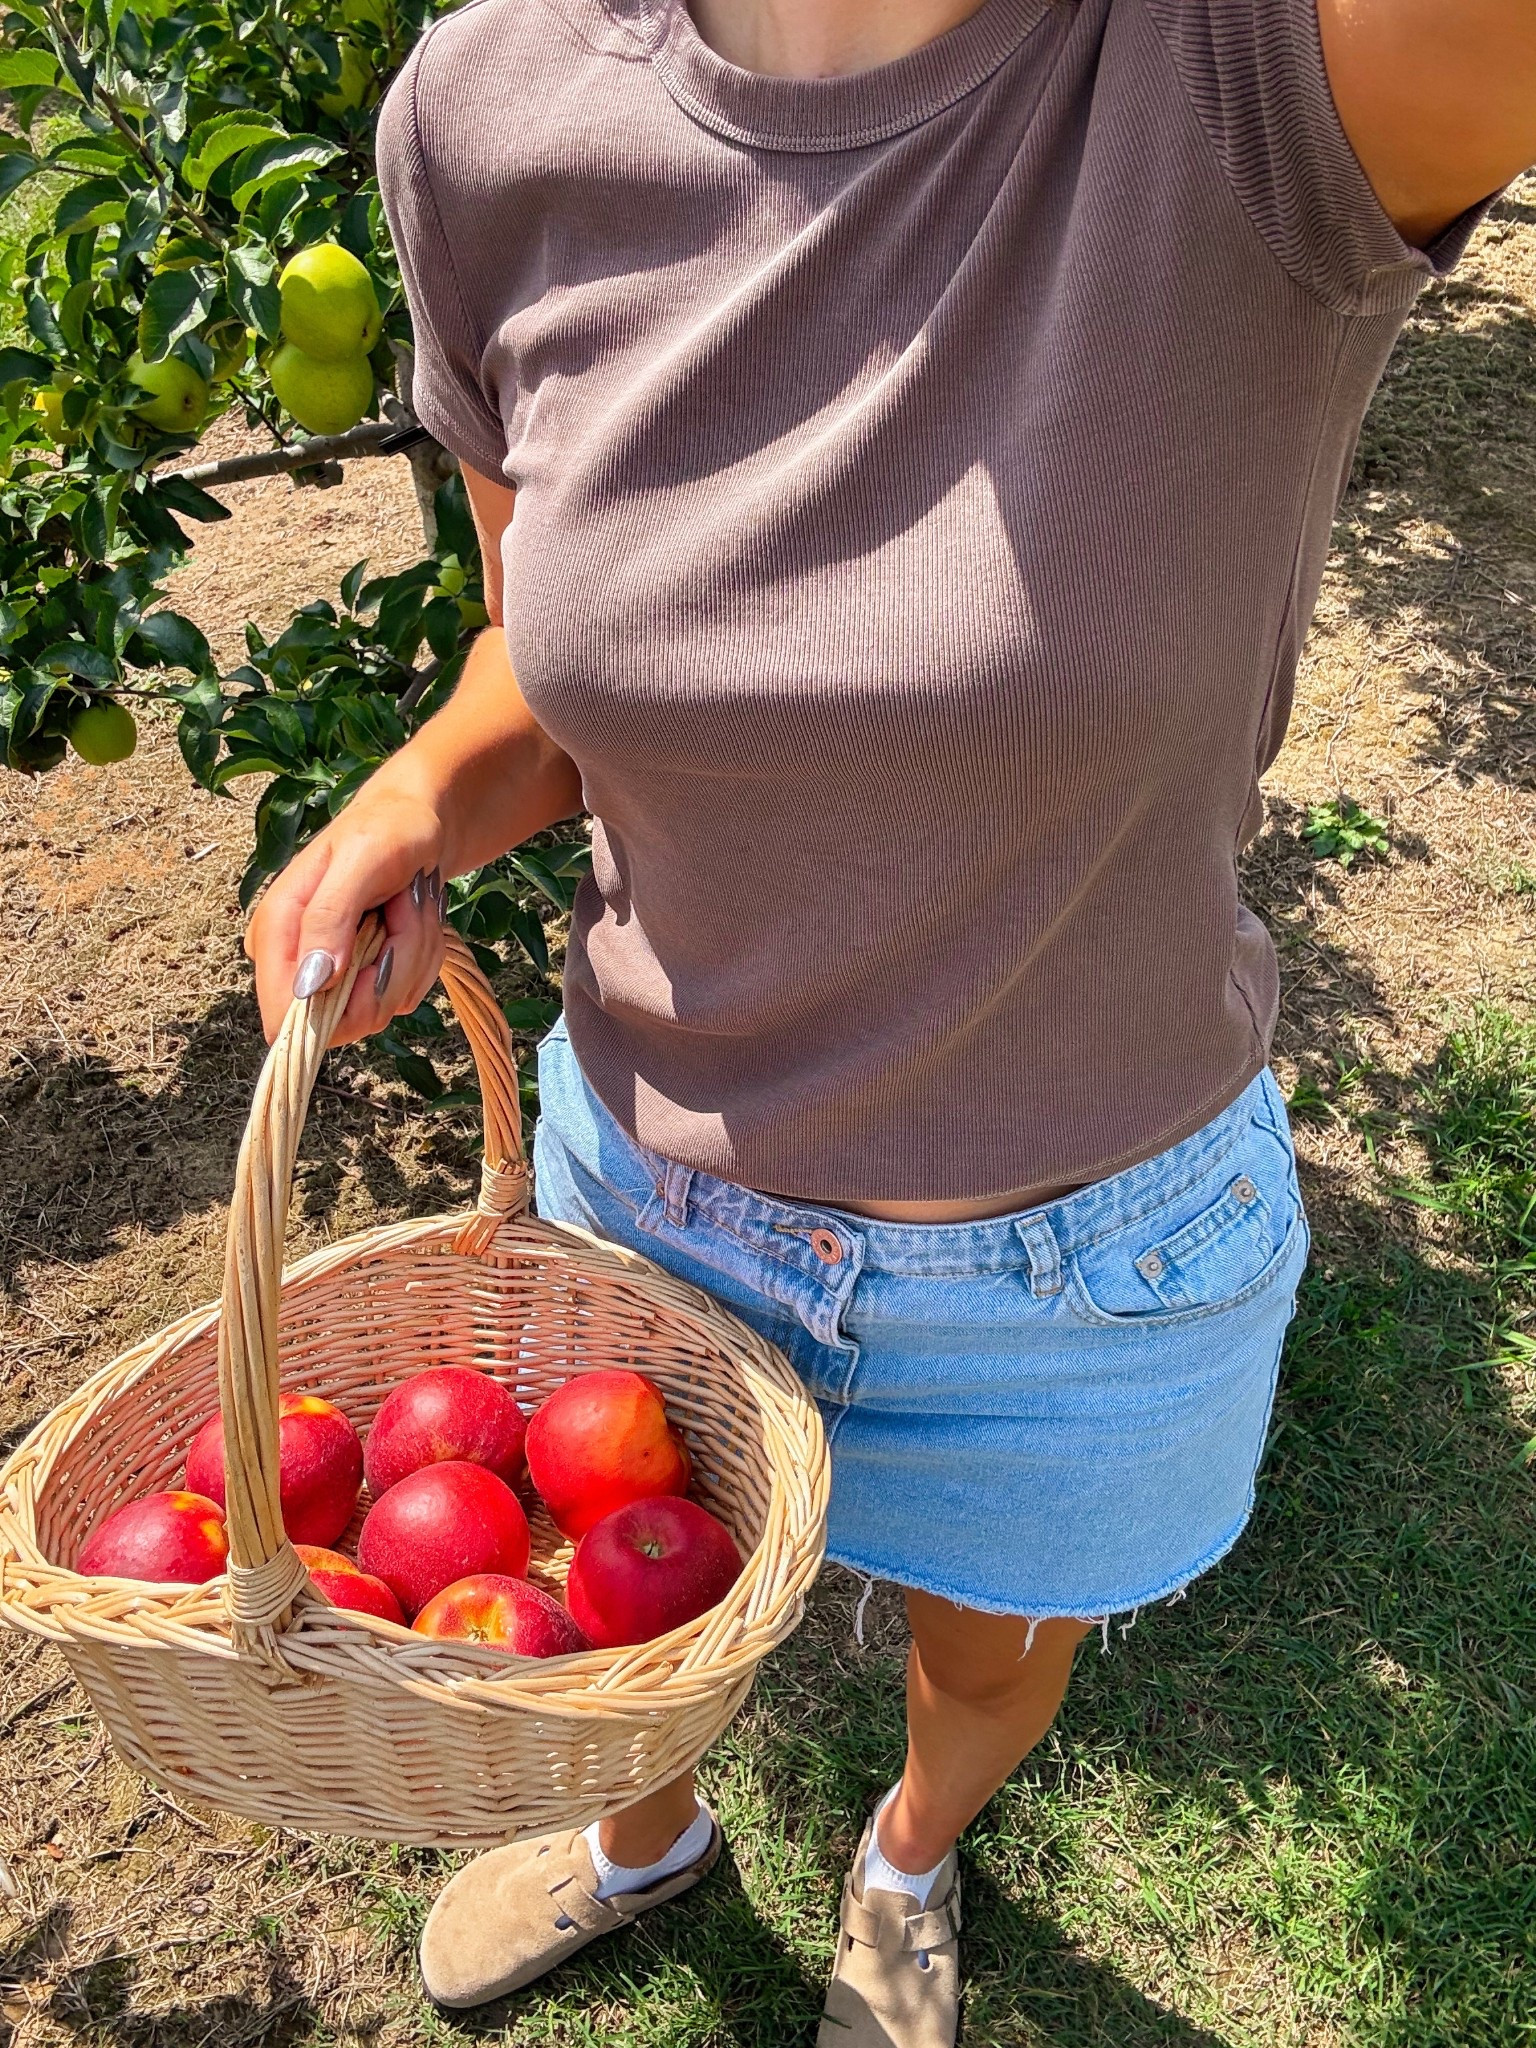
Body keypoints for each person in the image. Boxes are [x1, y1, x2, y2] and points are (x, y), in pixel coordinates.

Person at [245, 2, 1534, 2040]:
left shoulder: (1265, 83)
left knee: (992, 1652)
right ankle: (639, 1837)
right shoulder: (490, 109)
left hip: (1070, 1259)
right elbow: (552, 654)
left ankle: (910, 1859)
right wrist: (420, 788)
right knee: (622, 1641)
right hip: (646, 1182)